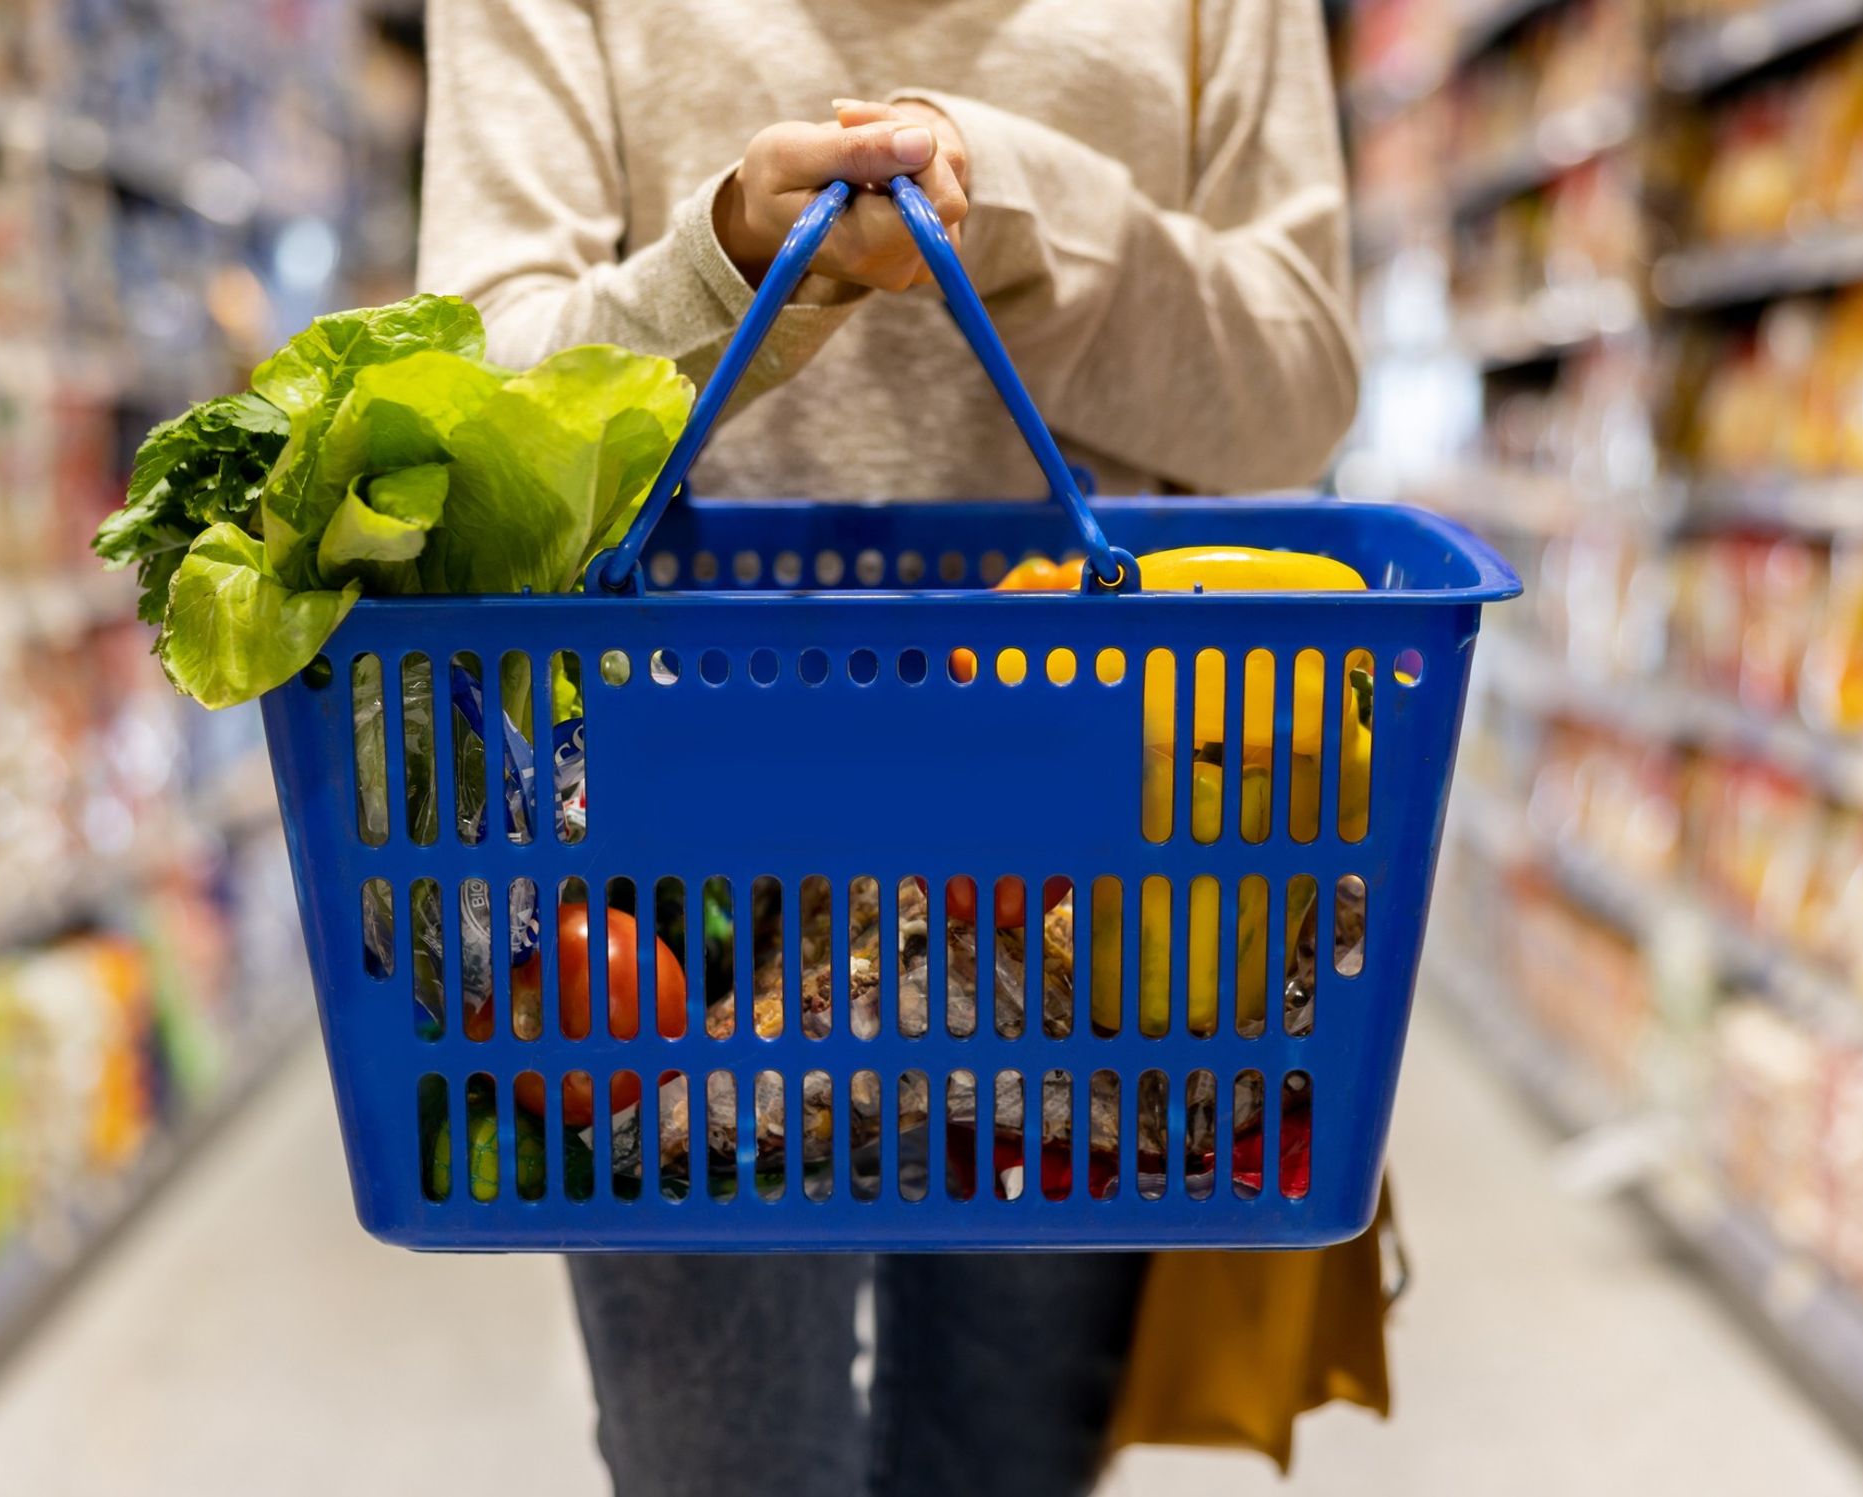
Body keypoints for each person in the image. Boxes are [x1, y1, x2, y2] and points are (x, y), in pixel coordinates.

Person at [418, 3, 1360, 1494]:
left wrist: (1023, 214)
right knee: (719, 1468)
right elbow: (463, 416)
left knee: (1012, 1455)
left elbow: (1299, 391)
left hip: (1092, 873)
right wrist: (725, 263)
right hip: (669, 872)